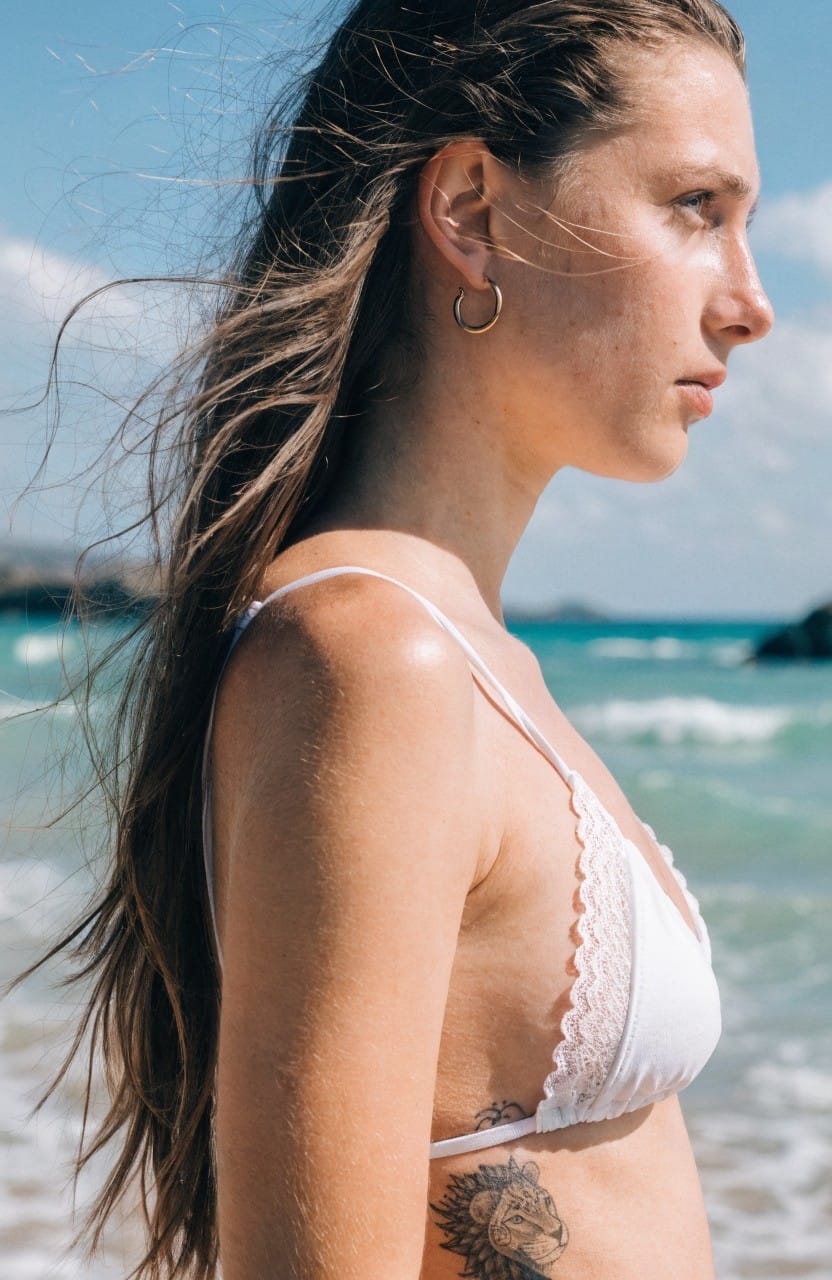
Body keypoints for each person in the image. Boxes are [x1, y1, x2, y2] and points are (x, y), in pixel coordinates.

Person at [16, 2, 774, 1277]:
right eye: (694, 205)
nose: (748, 303)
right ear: (473, 208)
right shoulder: (375, 657)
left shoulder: (453, 648)